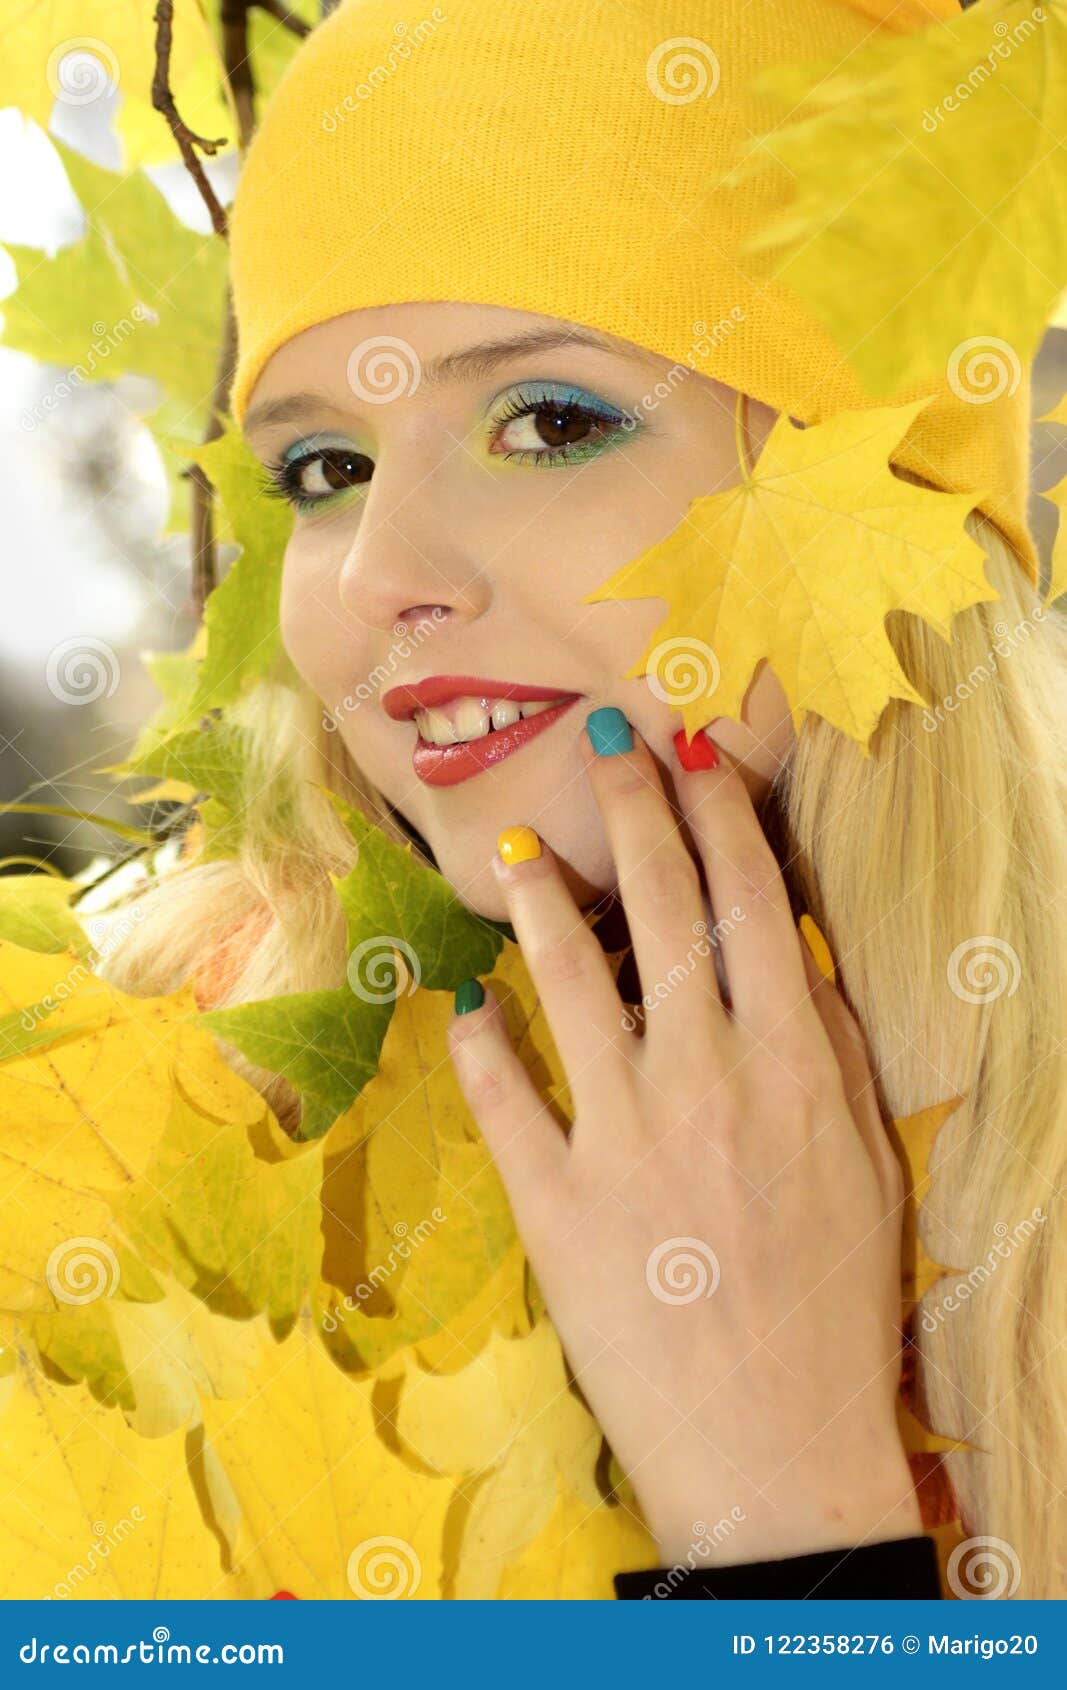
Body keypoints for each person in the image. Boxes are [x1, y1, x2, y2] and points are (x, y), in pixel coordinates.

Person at [99, 0, 1067, 1600]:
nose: (384, 575)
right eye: (325, 469)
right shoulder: (160, 1142)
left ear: (870, 519)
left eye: (547, 421)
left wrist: (792, 1509)